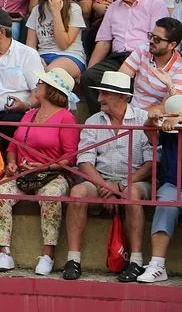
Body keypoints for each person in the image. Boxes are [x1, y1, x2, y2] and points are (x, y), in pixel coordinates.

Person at [62, 71, 152, 282]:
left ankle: (136, 261)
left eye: (105, 93)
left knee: (131, 193)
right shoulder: (93, 120)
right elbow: (85, 161)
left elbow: (151, 163)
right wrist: (106, 186)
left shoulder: (143, 119)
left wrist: (122, 185)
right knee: (77, 192)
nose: (99, 98)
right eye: (100, 93)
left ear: (122, 97)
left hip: (136, 180)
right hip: (100, 180)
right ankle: (73, 259)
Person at [0, 68, 79, 276]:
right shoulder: (29, 115)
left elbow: (70, 157)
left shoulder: (66, 118)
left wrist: (44, 166)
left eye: (41, 83)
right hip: (23, 173)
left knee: (51, 195)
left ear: (51, 90)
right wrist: (11, 163)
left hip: (53, 174)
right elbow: (13, 146)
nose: (37, 85)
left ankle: (47, 255)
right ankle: (3, 253)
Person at [83, 0, 170, 116]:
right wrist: (90, 68)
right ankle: (102, 120)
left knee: (132, 83)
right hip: (117, 58)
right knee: (89, 77)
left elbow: (157, 40)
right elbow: (103, 42)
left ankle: (129, 119)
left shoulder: (155, 4)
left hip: (144, 58)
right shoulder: (113, 7)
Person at [136, 96, 182, 283]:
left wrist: (179, 119)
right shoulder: (169, 131)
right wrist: (151, 119)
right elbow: (150, 134)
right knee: (165, 205)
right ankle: (157, 265)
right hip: (174, 184)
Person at [25, 0, 86, 79]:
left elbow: (63, 44)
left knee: (50, 73)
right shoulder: (36, 10)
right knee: (28, 73)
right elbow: (30, 45)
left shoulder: (74, 9)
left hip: (69, 56)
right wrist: (37, 60)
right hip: (43, 56)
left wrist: (56, 12)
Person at [117, 17, 182, 111]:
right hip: (131, 110)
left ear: (172, 45)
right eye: (151, 36)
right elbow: (120, 78)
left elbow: (168, 107)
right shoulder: (144, 49)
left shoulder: (179, 68)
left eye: (157, 39)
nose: (151, 41)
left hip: (156, 117)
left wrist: (140, 116)